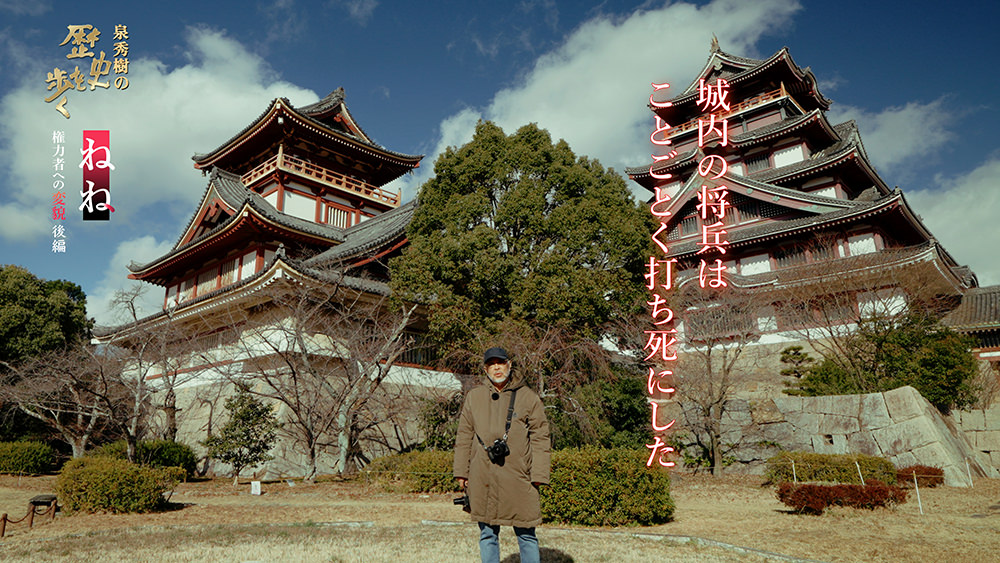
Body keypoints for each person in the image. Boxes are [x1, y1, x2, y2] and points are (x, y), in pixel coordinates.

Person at [454, 347, 551, 563]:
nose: (496, 368)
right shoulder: (474, 397)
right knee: (487, 533)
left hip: (519, 476)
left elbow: (541, 438)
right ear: (485, 369)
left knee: (526, 534)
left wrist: (538, 475)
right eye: (491, 364)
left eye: (500, 363)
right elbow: (464, 436)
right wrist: (461, 472)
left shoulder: (528, 397)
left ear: (509, 365)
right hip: (483, 475)